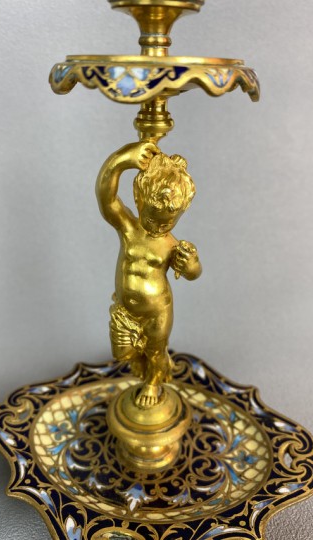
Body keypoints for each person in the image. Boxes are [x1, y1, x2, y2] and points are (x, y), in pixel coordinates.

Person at [96, 141, 202, 407]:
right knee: (122, 354)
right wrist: (121, 160)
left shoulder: (170, 245)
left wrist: (191, 263)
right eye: (154, 219)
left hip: (157, 311)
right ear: (139, 200)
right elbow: (106, 198)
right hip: (126, 311)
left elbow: (192, 274)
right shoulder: (129, 229)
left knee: (155, 352)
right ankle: (150, 371)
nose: (160, 227)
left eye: (169, 221)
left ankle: (153, 383)